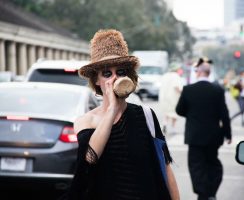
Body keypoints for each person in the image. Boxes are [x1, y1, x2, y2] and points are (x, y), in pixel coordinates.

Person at [68, 29, 179, 200]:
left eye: (120, 72)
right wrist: (112, 109)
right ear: (97, 80)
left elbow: (166, 167)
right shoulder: (86, 121)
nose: (114, 78)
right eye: (107, 73)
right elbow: (90, 158)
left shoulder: (146, 115)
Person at [176, 62, 232, 200]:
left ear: (198, 72)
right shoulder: (218, 90)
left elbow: (179, 110)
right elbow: (224, 114)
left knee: (196, 166)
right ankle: (211, 192)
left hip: (194, 135)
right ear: (209, 73)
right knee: (213, 163)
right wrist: (228, 134)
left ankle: (202, 193)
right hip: (213, 136)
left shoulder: (188, 89)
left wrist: (192, 115)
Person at [159, 63, 184, 135]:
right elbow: (177, 87)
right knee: (174, 113)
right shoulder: (176, 76)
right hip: (173, 97)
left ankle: (165, 124)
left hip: (164, 97)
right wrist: (182, 93)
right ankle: (173, 128)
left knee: (166, 112)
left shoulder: (165, 75)